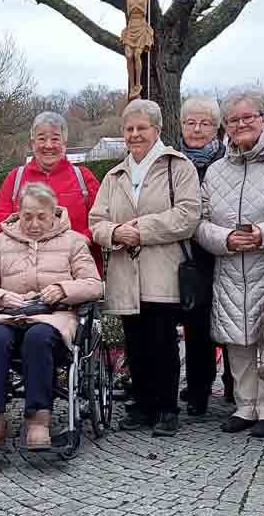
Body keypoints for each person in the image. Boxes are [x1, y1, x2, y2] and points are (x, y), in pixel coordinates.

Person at [90, 99, 200, 437]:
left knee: (162, 342)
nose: (135, 134)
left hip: (163, 269)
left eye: (142, 128)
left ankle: (167, 408)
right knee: (135, 342)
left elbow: (188, 215)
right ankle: (143, 404)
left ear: (157, 129)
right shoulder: (114, 175)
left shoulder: (178, 167)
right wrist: (115, 232)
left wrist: (141, 230)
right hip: (126, 272)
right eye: (129, 129)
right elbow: (96, 221)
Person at [0, 183, 104, 450]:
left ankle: (38, 421)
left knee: (38, 337)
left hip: (55, 317)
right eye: (27, 216)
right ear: (18, 213)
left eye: (42, 216)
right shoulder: (2, 242)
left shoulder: (73, 241)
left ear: (54, 214)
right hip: (11, 315)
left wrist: (63, 289)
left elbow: (94, 284)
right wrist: (0, 297)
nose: (34, 224)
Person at [195, 91, 264, 439]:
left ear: (263, 118)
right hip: (230, 266)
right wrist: (224, 239)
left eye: (247, 117)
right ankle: (245, 406)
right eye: (233, 120)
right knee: (236, 339)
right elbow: (199, 222)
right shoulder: (216, 170)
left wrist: (263, 234)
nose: (240, 125)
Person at [173, 98, 231, 415]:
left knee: (232, 319)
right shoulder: (170, 162)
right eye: (190, 123)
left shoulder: (229, 159)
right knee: (196, 322)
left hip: (225, 248)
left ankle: (235, 386)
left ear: (216, 128)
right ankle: (198, 388)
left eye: (205, 123)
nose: (197, 129)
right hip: (186, 254)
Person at [0, 112, 101, 267]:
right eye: (42, 139)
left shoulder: (83, 177)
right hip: (26, 269)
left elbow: (101, 219)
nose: (48, 145)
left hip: (77, 269)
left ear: (64, 143)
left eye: (55, 139)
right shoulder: (15, 178)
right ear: (32, 144)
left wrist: (85, 238)